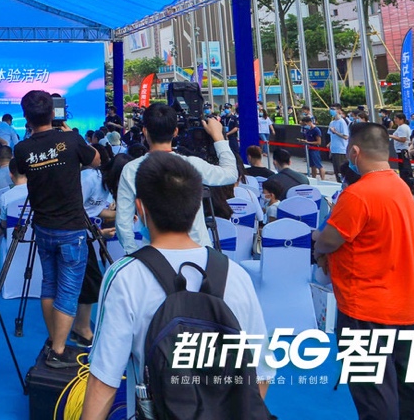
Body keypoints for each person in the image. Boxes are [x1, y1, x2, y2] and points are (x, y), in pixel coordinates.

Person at [82, 152, 271, 420]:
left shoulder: (125, 276)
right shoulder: (235, 274)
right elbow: (261, 374)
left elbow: (104, 381)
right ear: (195, 207)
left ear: (140, 209)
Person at [314, 122, 414, 419]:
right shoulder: (401, 187)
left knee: (374, 392)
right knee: (410, 386)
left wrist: (316, 240)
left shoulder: (357, 194)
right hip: (403, 303)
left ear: (354, 151)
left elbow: (329, 240)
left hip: (364, 307)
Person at [14, 90, 100, 368]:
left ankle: (54, 340)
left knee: (49, 284)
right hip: (71, 228)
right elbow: (96, 160)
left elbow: (20, 170)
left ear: (26, 117)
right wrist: (69, 133)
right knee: (69, 290)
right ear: (53, 113)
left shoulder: (22, 148)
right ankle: (59, 350)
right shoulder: (71, 140)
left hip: (43, 227)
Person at [115, 104, 237, 255]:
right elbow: (231, 174)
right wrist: (218, 136)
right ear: (175, 131)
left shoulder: (131, 170)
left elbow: (123, 222)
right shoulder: (192, 164)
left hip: (155, 255)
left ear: (145, 131)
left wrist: (134, 253)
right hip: (198, 251)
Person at [328, 105, 350, 180]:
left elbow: (346, 136)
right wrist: (330, 149)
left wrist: (335, 132)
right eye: (331, 109)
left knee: (341, 171)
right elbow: (331, 137)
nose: (331, 110)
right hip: (334, 149)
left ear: (339, 110)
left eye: (333, 109)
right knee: (336, 171)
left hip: (341, 150)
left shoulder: (342, 122)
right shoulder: (332, 122)